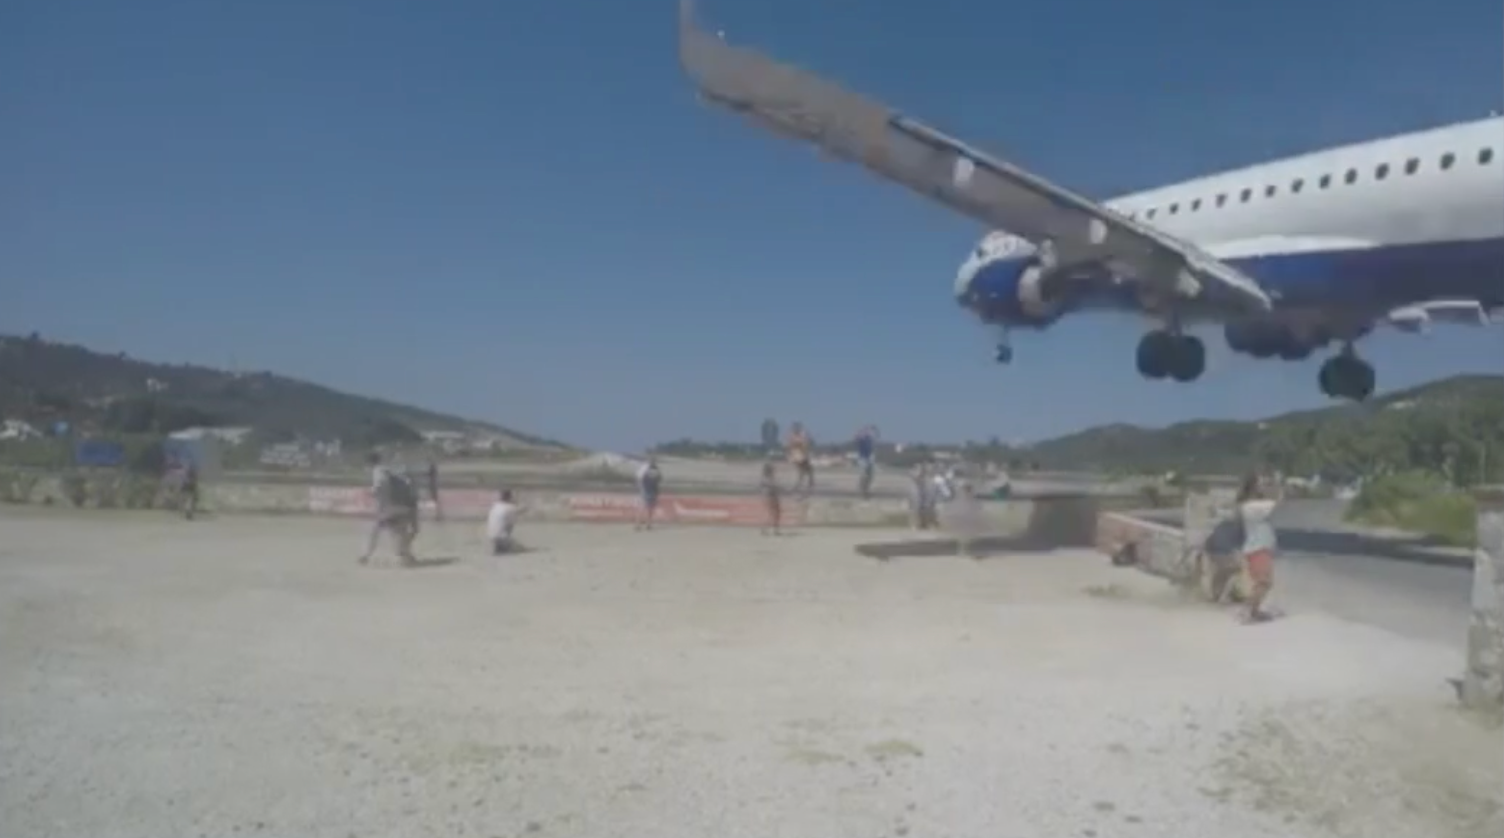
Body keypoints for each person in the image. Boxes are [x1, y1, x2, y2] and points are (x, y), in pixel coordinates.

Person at [1236, 471, 1282, 623]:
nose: (1262, 487)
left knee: (1263, 582)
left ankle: (1253, 611)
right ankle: (1248, 611)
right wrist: (1277, 484)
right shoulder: (1252, 506)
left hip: (1259, 548)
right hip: (1258, 548)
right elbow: (1277, 501)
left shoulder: (1249, 505)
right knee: (1264, 582)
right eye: (1260, 484)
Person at [359, 452, 418, 567]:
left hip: (390, 507)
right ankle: (406, 555)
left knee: (376, 531)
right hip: (404, 505)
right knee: (399, 532)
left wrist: (372, 491)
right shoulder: (390, 471)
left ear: (369, 464)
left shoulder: (378, 471)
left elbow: (381, 483)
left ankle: (366, 555)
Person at [486, 489, 524, 554]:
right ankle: (505, 546)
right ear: (510, 497)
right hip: (503, 538)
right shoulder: (511, 507)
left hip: (492, 538)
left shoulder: (495, 505)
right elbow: (511, 523)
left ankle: (500, 547)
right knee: (520, 548)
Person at [786, 422, 814, 497]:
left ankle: (804, 484)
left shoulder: (798, 435)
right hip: (798, 456)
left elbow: (804, 444)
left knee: (806, 471)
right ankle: (801, 486)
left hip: (799, 455)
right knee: (804, 471)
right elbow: (797, 444)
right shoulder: (794, 436)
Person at [635, 457, 663, 531]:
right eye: (652, 461)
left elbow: (659, 479)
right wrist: (642, 488)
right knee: (644, 507)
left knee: (649, 508)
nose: (653, 462)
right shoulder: (645, 468)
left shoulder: (656, 469)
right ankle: (639, 524)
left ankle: (648, 524)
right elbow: (639, 479)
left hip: (652, 490)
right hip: (647, 490)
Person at [853, 425, 878, 499]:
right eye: (866, 431)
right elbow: (855, 437)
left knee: (871, 475)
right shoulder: (861, 439)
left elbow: (875, 438)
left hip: (870, 458)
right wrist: (860, 432)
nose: (868, 432)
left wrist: (874, 430)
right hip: (862, 458)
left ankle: (866, 488)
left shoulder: (870, 439)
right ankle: (862, 489)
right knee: (863, 475)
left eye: (868, 431)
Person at [759, 460, 782, 536]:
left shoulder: (770, 478)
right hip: (769, 496)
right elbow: (772, 486)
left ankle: (774, 529)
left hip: (772, 496)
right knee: (771, 512)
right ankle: (766, 529)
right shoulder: (766, 478)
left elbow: (774, 487)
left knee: (776, 512)